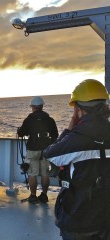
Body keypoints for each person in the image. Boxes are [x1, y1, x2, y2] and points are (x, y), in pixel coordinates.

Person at [44, 79, 110, 240]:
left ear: (79, 110)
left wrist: (69, 129)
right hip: (105, 215)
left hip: (79, 215)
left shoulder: (78, 138)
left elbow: (50, 154)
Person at [17, 96, 58, 203]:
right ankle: (44, 195)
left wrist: (22, 130)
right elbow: (55, 136)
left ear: (33, 107)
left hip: (32, 150)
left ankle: (33, 196)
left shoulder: (29, 120)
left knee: (32, 174)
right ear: (42, 106)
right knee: (45, 174)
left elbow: (21, 133)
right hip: (46, 151)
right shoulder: (50, 120)